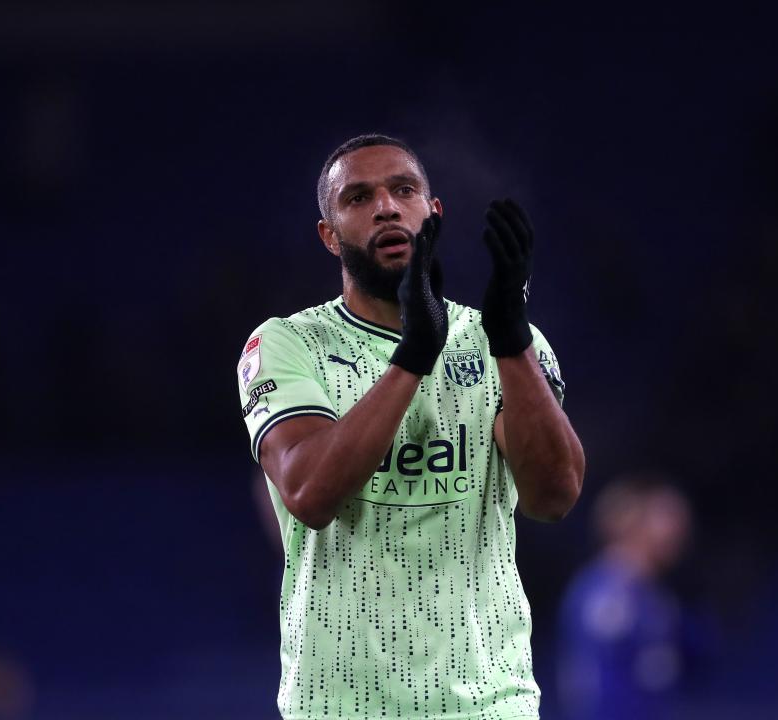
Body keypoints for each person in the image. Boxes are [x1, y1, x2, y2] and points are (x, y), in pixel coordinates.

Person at [236, 134, 585, 720]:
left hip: (490, 703)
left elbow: (554, 496)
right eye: (358, 197)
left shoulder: (498, 343)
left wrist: (513, 340)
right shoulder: (287, 344)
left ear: (433, 212)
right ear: (329, 234)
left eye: (404, 190)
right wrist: (413, 358)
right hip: (342, 707)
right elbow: (309, 493)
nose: (386, 207)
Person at [556, 475, 694, 720]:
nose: (679, 529)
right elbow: (591, 684)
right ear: (635, 525)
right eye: (667, 518)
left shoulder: (654, 595)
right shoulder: (602, 593)